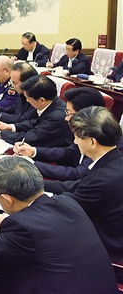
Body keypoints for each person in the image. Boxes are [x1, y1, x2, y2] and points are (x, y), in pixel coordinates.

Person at [0, 157, 117, 294]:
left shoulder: (23, 228)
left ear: (7, 199)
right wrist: (3, 220)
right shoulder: (66, 201)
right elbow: (46, 230)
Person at [43, 106, 123, 284]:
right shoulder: (115, 161)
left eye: (78, 137)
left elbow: (64, 209)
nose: (75, 141)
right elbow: (79, 186)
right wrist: (37, 185)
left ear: (93, 142)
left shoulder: (102, 179)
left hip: (107, 252)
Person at [15, 88, 111, 181]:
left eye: (71, 114)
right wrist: (33, 151)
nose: (66, 118)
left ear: (88, 115)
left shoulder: (101, 140)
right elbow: (69, 153)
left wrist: (32, 164)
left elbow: (77, 174)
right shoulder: (86, 131)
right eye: (67, 113)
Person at [0, 75, 74, 148]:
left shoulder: (56, 117)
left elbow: (33, 137)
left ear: (41, 100)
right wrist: (10, 127)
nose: (27, 101)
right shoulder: (53, 103)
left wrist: (2, 134)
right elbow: (35, 122)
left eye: (28, 98)